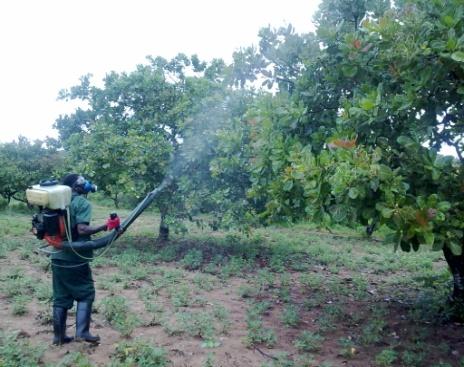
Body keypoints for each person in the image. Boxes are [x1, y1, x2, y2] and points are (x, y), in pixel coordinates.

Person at [51, 173, 107, 345]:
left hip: (57, 257)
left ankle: (59, 337)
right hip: (76, 258)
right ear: (75, 187)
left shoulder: (57, 202)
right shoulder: (81, 202)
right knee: (86, 293)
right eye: (82, 181)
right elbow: (82, 230)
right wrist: (105, 226)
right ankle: (82, 332)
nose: (86, 183)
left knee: (61, 297)